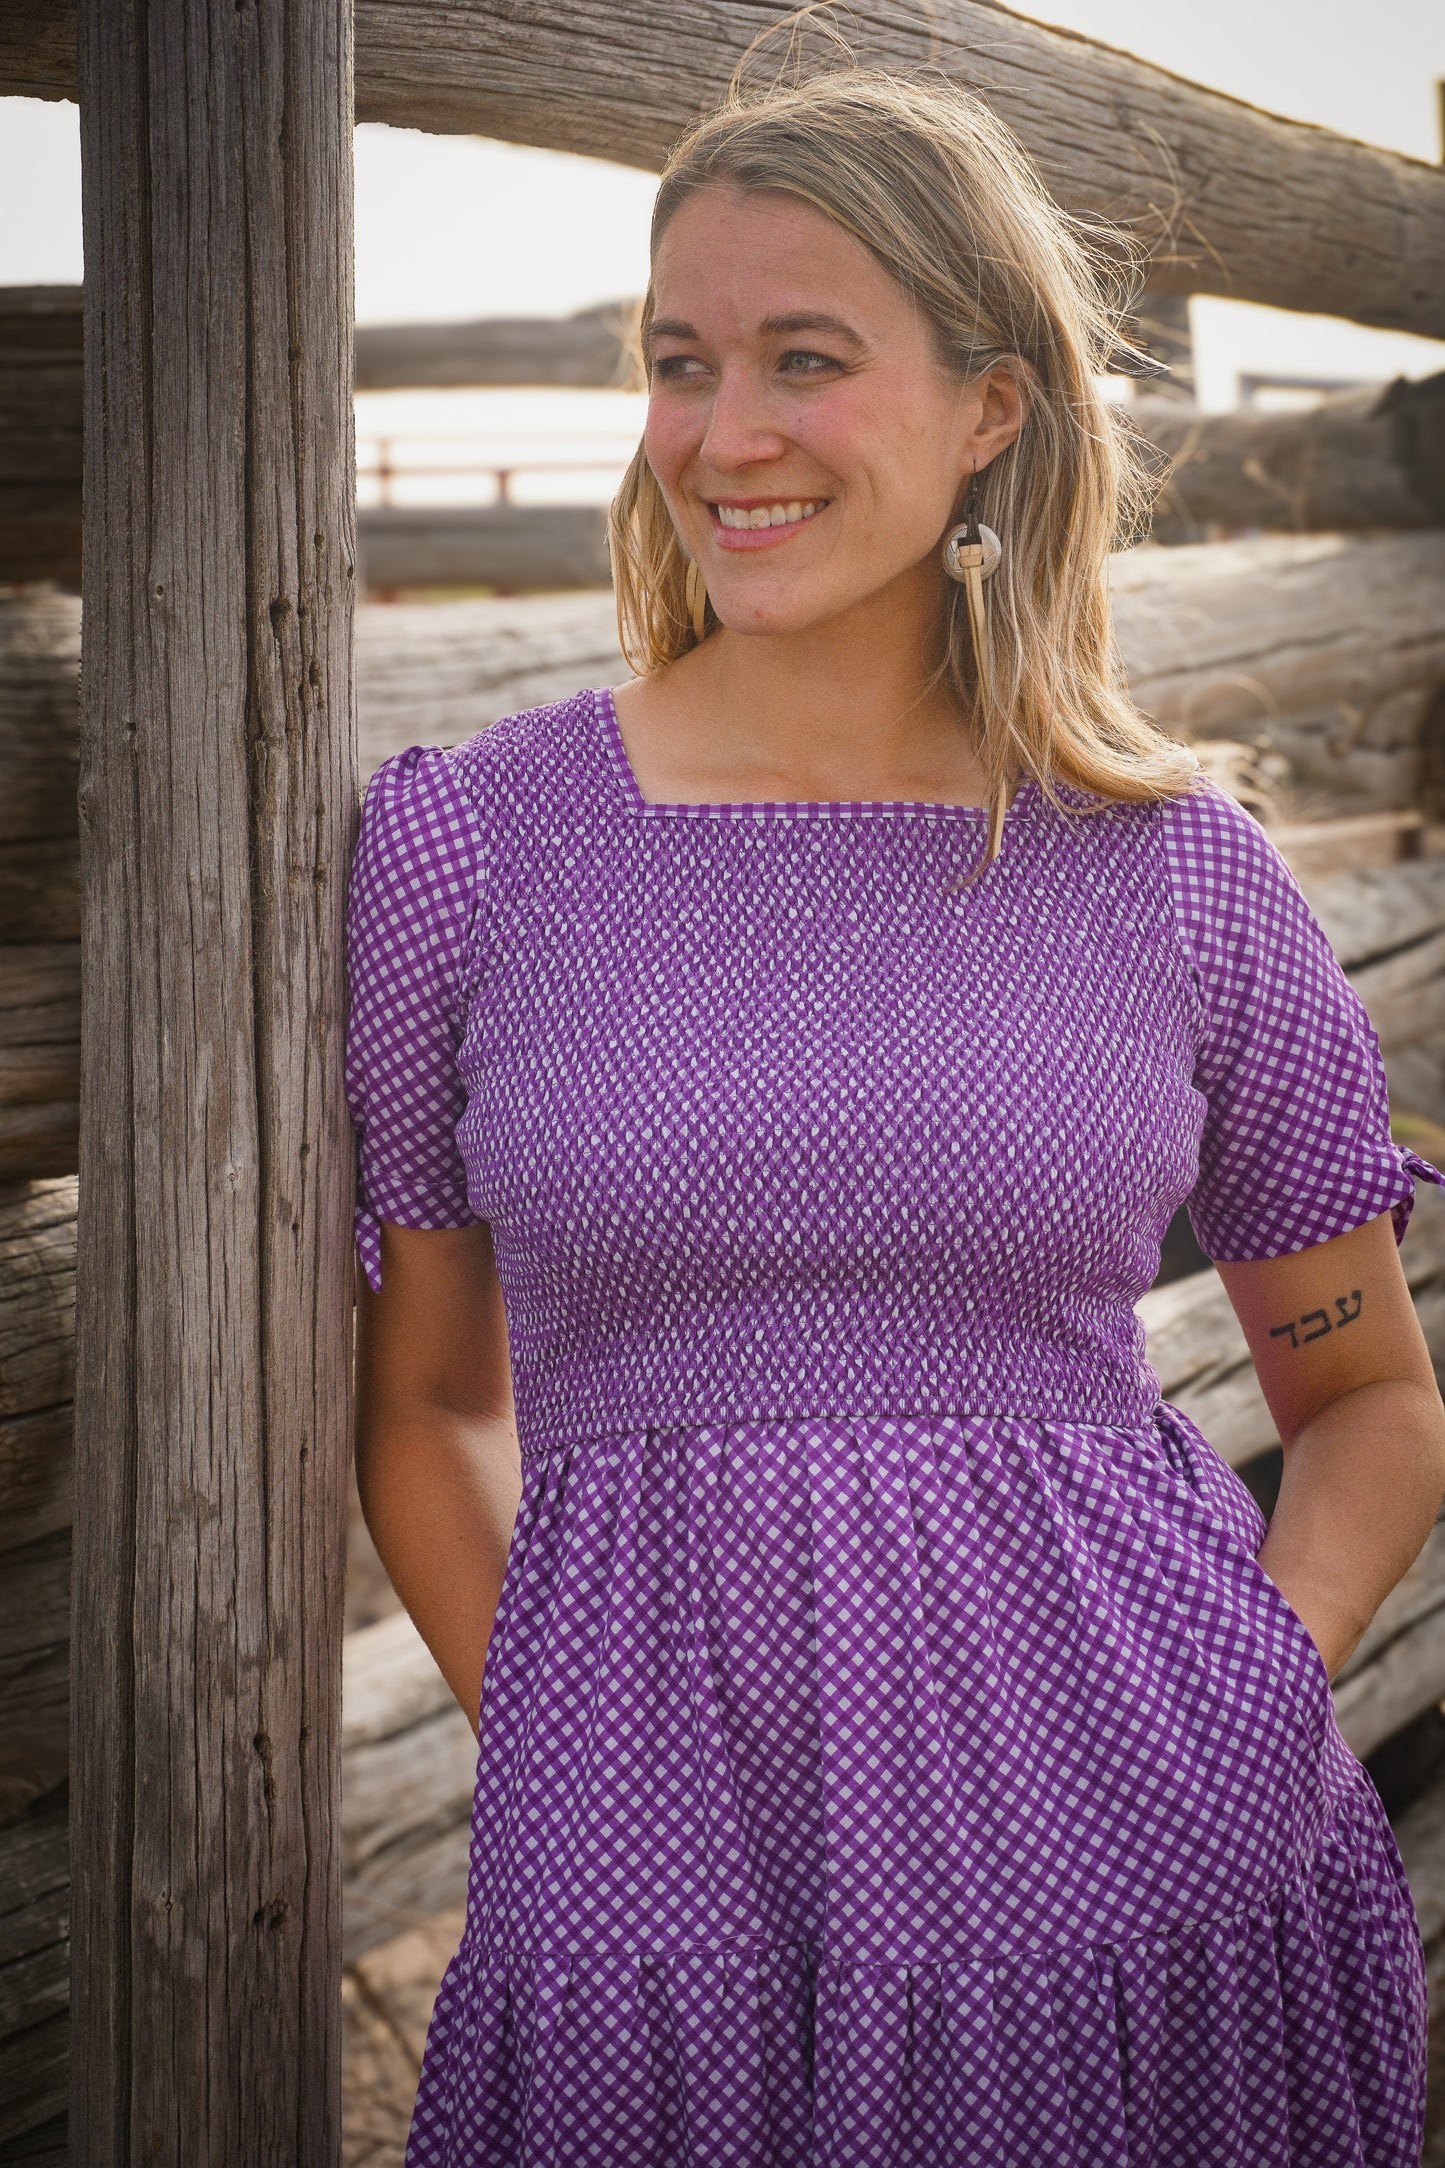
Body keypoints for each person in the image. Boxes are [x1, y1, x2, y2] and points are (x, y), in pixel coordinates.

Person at [345, 59, 1445, 2168]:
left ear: (993, 412)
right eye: (681, 363)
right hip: (654, 1910)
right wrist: (573, 1762)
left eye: (805, 359)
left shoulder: (1177, 876)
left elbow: (1368, 1393)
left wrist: (1249, 1705)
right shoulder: (473, 852)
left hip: (1144, 1870)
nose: (722, 433)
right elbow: (430, 1407)